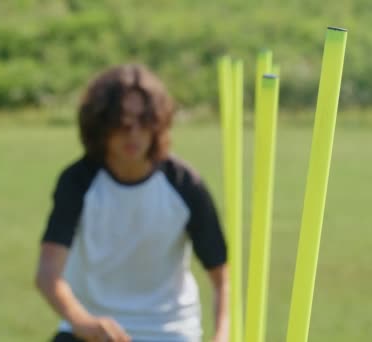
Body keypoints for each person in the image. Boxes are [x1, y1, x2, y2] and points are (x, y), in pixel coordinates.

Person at [35, 64, 229, 342]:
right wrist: (83, 322)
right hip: (90, 327)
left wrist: (222, 335)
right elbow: (47, 274)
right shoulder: (77, 182)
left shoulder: (185, 185)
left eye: (143, 121)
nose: (133, 133)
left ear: (158, 123)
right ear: (100, 125)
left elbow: (221, 278)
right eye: (121, 122)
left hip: (168, 331)